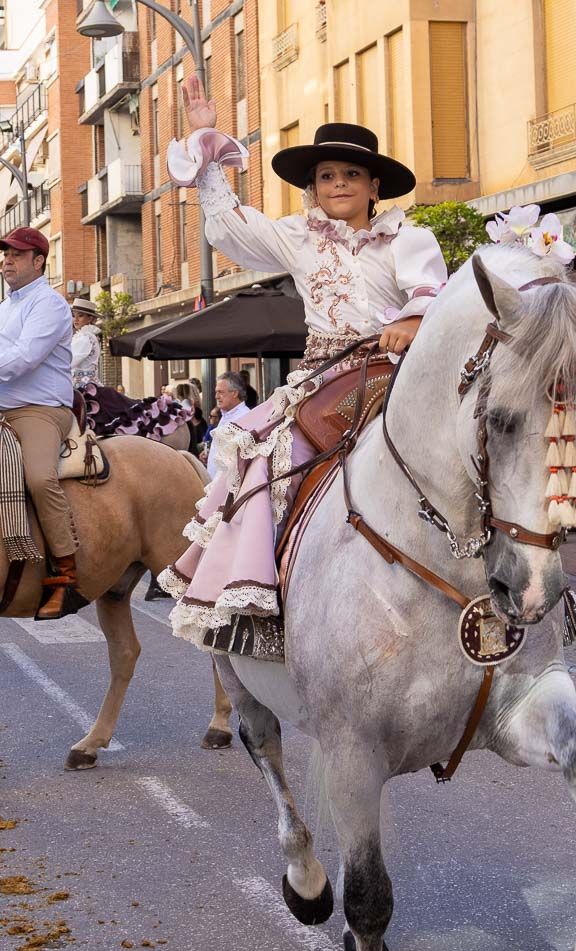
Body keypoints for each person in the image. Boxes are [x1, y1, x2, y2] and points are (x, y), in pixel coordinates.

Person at [157, 74, 447, 646]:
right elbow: (228, 229)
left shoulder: (407, 239)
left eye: (351, 175)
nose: (338, 183)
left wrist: (411, 321)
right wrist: (207, 147)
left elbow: (431, 290)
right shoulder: (297, 237)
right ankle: (269, 597)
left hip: (400, 373)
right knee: (267, 456)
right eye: (326, 176)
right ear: (313, 189)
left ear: (374, 187)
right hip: (323, 380)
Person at [0, 227, 78, 619]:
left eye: (15, 255)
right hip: (3, 407)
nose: (6, 262)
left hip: (39, 409)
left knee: (38, 478)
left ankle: (64, 575)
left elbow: (22, 360)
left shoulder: (49, 304)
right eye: (5, 255)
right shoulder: (5, 307)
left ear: (38, 261)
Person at [206, 373, 250, 477]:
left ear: (234, 393)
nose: (216, 396)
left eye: (221, 392)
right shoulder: (226, 415)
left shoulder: (245, 417)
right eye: (216, 392)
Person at [71, 298, 102, 388]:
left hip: (83, 386)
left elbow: (71, 360)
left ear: (90, 318)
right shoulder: (85, 336)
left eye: (80, 316)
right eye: (74, 315)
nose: (75, 319)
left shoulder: (86, 337)